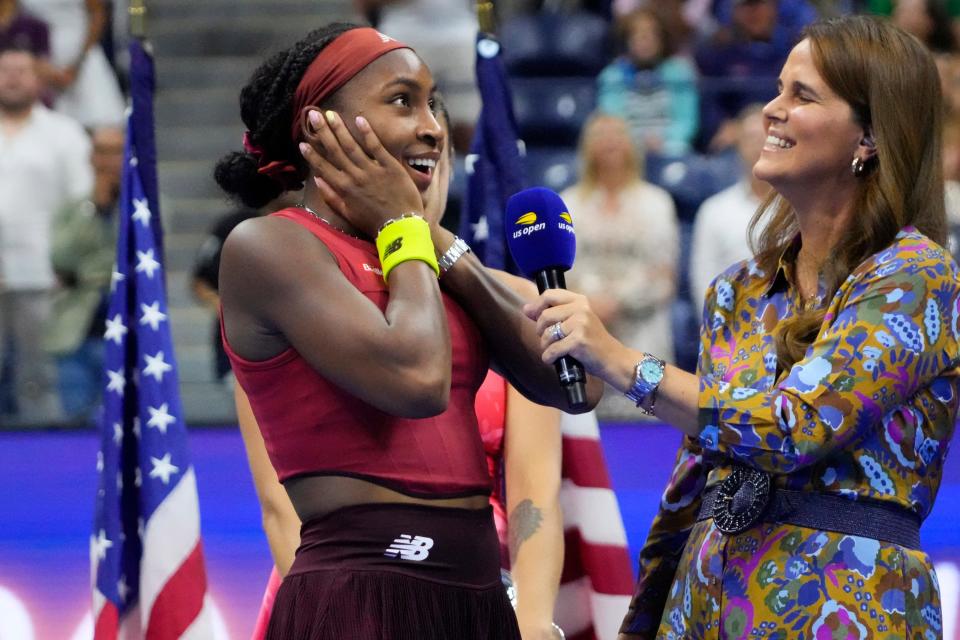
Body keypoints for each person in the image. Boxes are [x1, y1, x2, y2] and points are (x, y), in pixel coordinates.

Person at [523, 15, 957, 637]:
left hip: (847, 606)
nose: (770, 112)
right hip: (702, 604)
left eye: (801, 96)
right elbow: (695, 475)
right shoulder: (737, 289)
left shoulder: (915, 276)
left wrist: (622, 362)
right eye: (778, 89)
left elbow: (796, 426)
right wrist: (642, 622)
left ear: (870, 136)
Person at [215, 23, 600, 639]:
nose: (432, 127)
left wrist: (439, 241)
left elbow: (572, 382)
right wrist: (404, 226)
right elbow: (417, 381)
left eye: (433, 103)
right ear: (323, 126)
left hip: (479, 595)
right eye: (402, 101)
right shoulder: (269, 246)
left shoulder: (422, 256)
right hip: (359, 596)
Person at [561, 112, 679, 422]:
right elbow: (562, 272)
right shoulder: (568, 204)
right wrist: (590, 303)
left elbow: (663, 277)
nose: (610, 142)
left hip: (642, 332)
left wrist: (618, 301)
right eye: (601, 134)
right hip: (584, 328)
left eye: (617, 134)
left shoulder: (657, 202)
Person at [0, 44, 92, 422]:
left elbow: (82, 204)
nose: (13, 76)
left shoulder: (64, 133)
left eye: (22, 69)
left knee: (38, 372)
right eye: (5, 69)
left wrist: (67, 262)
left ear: (39, 79)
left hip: (43, 269)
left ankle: (41, 445)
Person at [42, 125, 122, 422]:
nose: (110, 160)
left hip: (126, 327)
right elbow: (60, 256)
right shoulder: (72, 208)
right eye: (103, 151)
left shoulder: (148, 206)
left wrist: (114, 208)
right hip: (75, 326)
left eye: (117, 151)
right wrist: (95, 208)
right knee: (74, 419)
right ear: (91, 158)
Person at [689, 103, 770, 306]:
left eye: (766, 137)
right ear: (738, 145)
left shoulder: (801, 208)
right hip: (730, 326)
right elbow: (704, 283)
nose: (759, 146)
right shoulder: (714, 210)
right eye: (751, 138)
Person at [597, 7, 699, 156]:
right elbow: (612, 120)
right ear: (627, 40)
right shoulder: (612, 75)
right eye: (638, 34)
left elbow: (686, 122)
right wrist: (636, 141)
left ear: (662, 39)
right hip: (626, 148)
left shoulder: (679, 73)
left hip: (670, 146)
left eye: (651, 34)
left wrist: (663, 140)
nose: (645, 40)